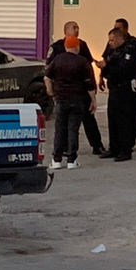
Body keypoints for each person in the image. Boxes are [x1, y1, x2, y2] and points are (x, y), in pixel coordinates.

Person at [46, 21, 107, 156]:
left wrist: (93, 86)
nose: (77, 30)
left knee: (89, 118)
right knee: (64, 123)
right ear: (66, 31)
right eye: (74, 28)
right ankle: (65, 148)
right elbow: (49, 70)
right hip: (63, 92)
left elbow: (88, 66)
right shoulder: (57, 47)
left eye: (78, 27)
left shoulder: (82, 44)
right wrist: (51, 89)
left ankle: (97, 145)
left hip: (81, 90)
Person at [43, 35, 96, 169]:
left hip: (60, 99)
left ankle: (56, 160)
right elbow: (89, 84)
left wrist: (50, 91)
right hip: (77, 100)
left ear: (66, 46)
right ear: (77, 47)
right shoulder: (82, 61)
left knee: (59, 129)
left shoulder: (58, 59)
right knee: (73, 129)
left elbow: (47, 77)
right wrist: (93, 100)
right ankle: (71, 160)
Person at [100, 27, 136, 161]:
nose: (110, 43)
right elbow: (107, 72)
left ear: (119, 39)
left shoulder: (128, 51)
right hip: (114, 89)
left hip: (125, 89)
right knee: (113, 119)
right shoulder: (113, 52)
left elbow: (124, 70)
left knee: (124, 121)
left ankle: (125, 150)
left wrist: (107, 67)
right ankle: (114, 148)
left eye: (112, 40)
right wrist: (104, 69)